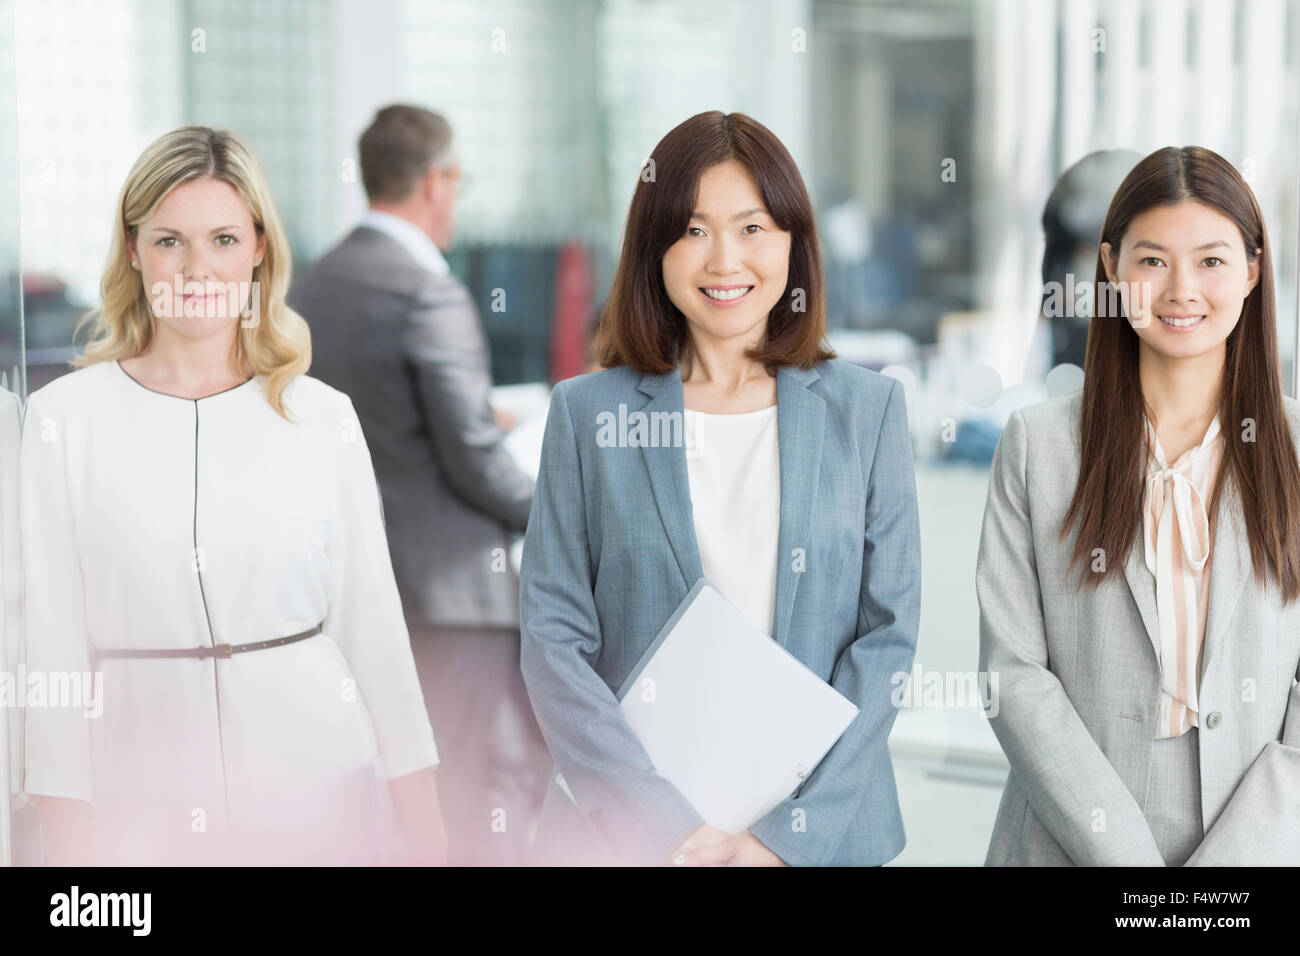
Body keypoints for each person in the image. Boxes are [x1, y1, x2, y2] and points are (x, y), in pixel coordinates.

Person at [20, 125, 446, 866]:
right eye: (168, 241)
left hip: (317, 796)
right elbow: (49, 652)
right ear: (132, 248)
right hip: (137, 805)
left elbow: (375, 638)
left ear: (258, 248)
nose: (196, 268)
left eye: (222, 239)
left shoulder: (321, 416)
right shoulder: (64, 421)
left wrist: (431, 839)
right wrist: (66, 854)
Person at [519, 111, 922, 867]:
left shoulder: (868, 412)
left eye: (753, 227)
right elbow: (552, 644)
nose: (725, 259)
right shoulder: (586, 414)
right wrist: (663, 824)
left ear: (794, 244)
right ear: (655, 247)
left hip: (820, 839)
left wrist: (782, 841)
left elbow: (887, 640)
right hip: (631, 840)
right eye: (694, 230)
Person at [978, 145, 1300, 866]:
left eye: (1212, 261)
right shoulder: (1037, 447)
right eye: (1152, 260)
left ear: (1252, 270)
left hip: (1261, 836)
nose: (1181, 289)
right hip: (1069, 835)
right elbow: (1013, 676)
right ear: (1111, 269)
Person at [289, 104, 548, 866]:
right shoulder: (427, 290)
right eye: (457, 182)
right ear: (435, 181)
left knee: (388, 805)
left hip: (351, 600)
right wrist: (565, 514)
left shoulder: (314, 286)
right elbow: (473, 458)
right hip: (450, 599)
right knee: (477, 798)